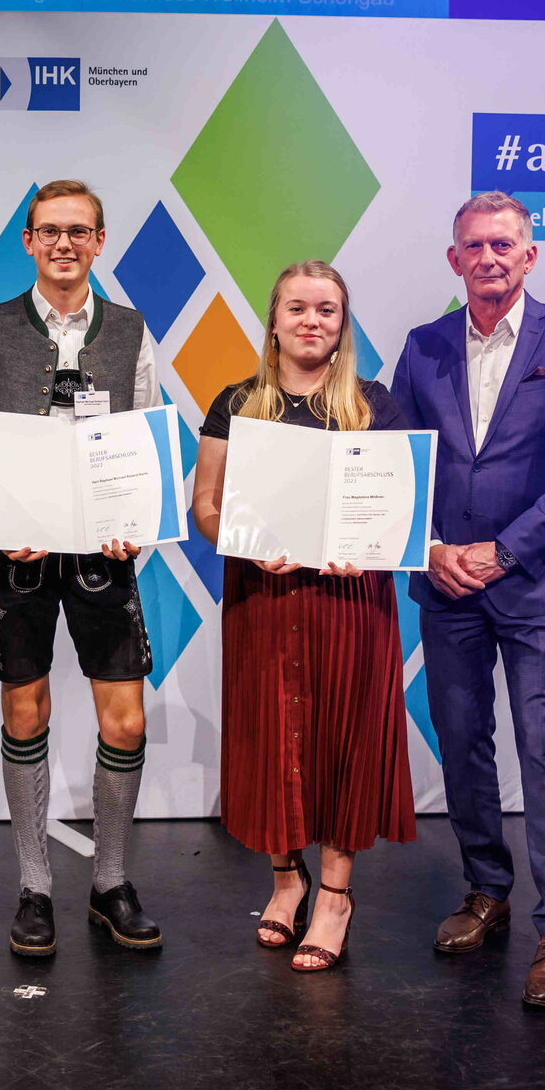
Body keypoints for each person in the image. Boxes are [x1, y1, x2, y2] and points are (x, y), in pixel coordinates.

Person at [388, 191, 545, 1008]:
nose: (488, 258)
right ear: (454, 260)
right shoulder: (421, 349)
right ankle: (487, 888)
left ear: (530, 255)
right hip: (447, 583)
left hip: (536, 583)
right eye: (473, 247)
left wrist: (506, 548)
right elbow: (398, 469)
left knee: (544, 743)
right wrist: (433, 549)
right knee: (460, 739)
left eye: (503, 245)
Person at [189, 261, 416, 972]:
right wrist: (247, 545)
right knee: (270, 738)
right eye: (298, 308)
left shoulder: (375, 403)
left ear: (342, 323)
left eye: (327, 309)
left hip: (350, 603)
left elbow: (399, 510)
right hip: (265, 599)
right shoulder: (237, 403)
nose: (312, 321)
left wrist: (367, 547)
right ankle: (286, 883)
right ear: (274, 319)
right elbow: (206, 506)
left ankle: (336, 896)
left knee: (342, 740)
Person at [0, 179, 164, 957]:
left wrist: (133, 525)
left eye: (80, 231)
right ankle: (35, 885)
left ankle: (110, 880)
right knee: (26, 711)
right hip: (14, 556)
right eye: (49, 230)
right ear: (27, 240)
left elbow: (144, 445)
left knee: (126, 716)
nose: (64, 244)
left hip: (101, 554)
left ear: (101, 240)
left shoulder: (132, 331)